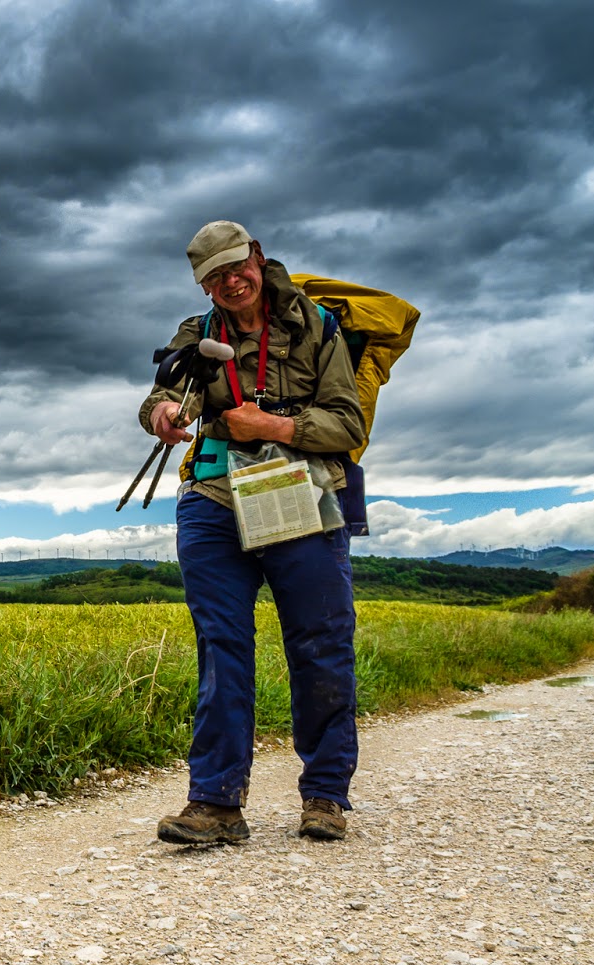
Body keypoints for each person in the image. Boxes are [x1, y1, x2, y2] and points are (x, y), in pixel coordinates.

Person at [138, 220, 365, 844]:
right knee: (221, 647)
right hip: (212, 501)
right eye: (215, 276)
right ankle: (215, 804)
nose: (230, 281)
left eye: (237, 266)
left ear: (258, 258)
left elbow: (347, 423)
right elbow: (162, 394)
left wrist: (271, 425)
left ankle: (325, 795)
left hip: (300, 497)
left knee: (320, 643)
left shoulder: (317, 326)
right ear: (203, 285)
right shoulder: (198, 332)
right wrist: (161, 414)